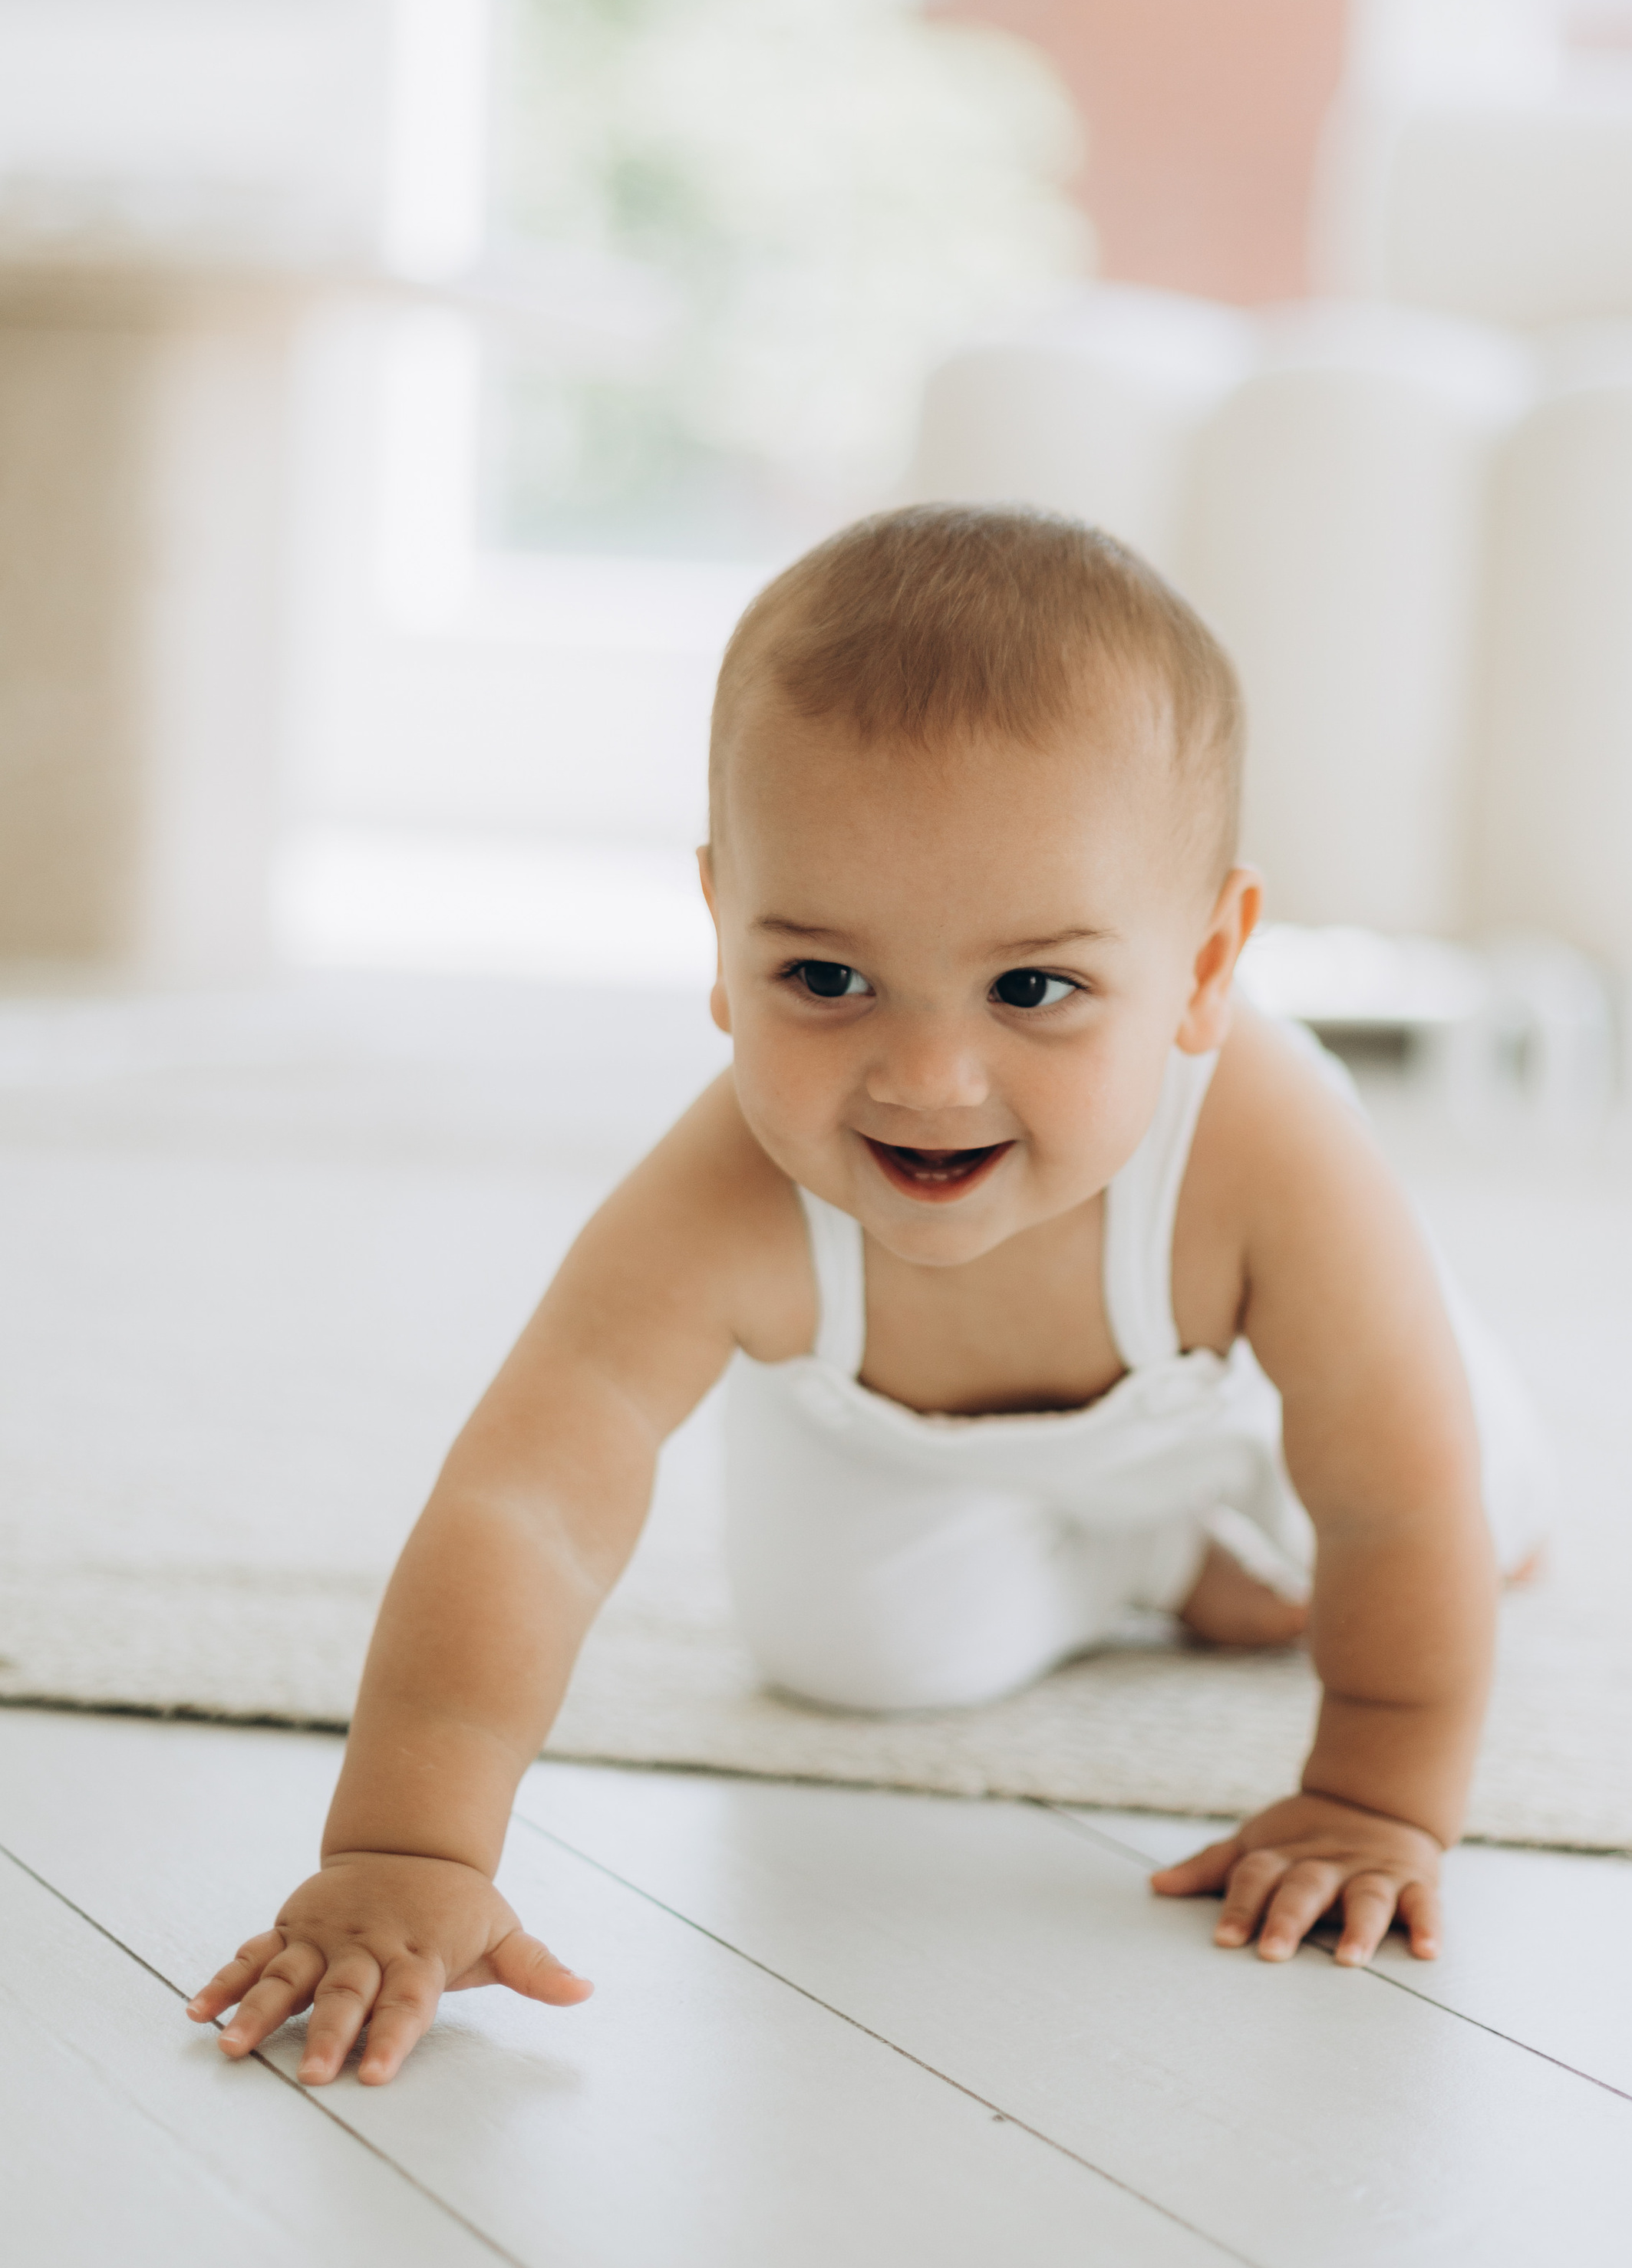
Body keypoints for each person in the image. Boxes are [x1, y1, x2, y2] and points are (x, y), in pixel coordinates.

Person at [189, 506, 1550, 2088]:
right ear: (722, 933)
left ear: (1199, 968)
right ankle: (1156, 1554)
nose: (924, 1078)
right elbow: (530, 1506)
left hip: (1247, 1399)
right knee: (858, 1663)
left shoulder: (1264, 1151)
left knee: (1454, 1504)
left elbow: (1391, 1497)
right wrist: (409, 1849)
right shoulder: (721, 1193)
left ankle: (1216, 1523)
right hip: (892, 1440)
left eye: (1031, 989)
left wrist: (1377, 1792)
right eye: (824, 981)